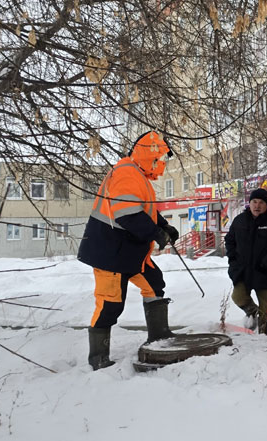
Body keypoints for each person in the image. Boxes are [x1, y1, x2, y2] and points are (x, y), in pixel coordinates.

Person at [77, 130, 180, 370]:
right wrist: (155, 233)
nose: (162, 164)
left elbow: (143, 210)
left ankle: (159, 337)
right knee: (110, 304)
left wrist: (164, 226)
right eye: (160, 159)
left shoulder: (137, 175)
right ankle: (98, 358)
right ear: (149, 156)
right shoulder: (126, 173)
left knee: (154, 283)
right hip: (110, 254)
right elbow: (127, 213)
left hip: (130, 253)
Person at [225, 188, 267, 335]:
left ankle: (265, 337)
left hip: (264, 271)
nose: (257, 205)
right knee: (238, 296)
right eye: (254, 202)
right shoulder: (239, 220)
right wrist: (233, 260)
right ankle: (253, 312)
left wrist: (266, 263)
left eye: (261, 202)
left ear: (266, 205)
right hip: (243, 270)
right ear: (250, 203)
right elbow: (229, 241)